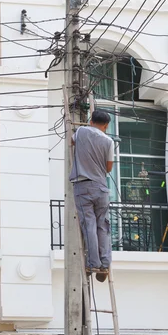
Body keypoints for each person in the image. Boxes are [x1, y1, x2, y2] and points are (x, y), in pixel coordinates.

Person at [69, 110, 114, 283]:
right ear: (106, 125)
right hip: (101, 187)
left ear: (91, 121)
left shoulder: (80, 131)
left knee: (89, 224)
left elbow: (71, 142)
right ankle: (104, 264)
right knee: (103, 225)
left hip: (83, 185)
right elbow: (109, 168)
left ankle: (92, 263)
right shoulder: (108, 141)